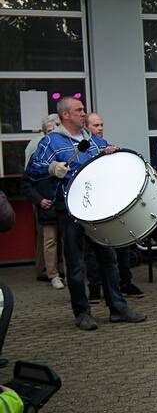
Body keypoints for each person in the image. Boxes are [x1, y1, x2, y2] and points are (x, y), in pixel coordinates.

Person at [26, 97, 146, 330]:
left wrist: (111, 153)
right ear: (65, 115)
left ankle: (118, 308)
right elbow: (32, 170)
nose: (84, 113)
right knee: (76, 263)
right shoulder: (50, 141)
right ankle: (82, 312)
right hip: (69, 210)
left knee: (107, 259)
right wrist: (52, 168)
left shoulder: (94, 141)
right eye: (79, 110)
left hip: (98, 209)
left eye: (83, 110)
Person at [84, 113, 144, 300]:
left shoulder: (105, 144)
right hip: (94, 205)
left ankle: (125, 282)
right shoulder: (85, 146)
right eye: (95, 125)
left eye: (101, 124)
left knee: (122, 244)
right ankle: (95, 288)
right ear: (86, 127)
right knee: (95, 249)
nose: (100, 128)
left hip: (112, 202)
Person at [23, 114, 63, 283]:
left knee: (49, 239)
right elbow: (28, 177)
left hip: (55, 199)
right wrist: (39, 199)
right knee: (49, 238)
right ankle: (51, 272)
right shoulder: (38, 148)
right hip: (44, 197)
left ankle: (48, 270)